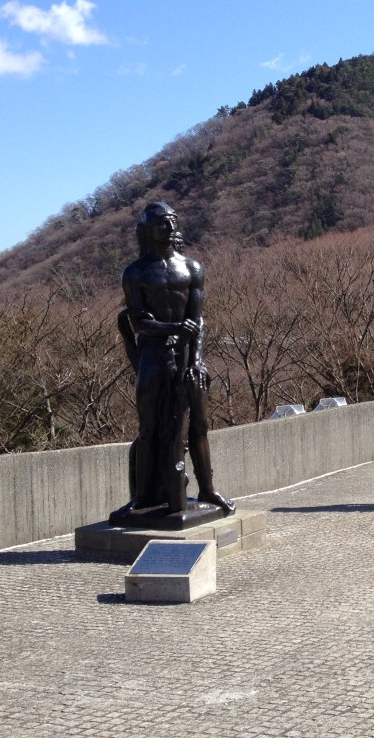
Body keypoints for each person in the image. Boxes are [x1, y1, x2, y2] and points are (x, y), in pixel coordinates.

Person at [112, 202, 235, 519]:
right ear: (147, 230)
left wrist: (196, 359)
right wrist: (175, 328)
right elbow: (140, 322)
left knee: (200, 425)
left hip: (187, 352)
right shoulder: (135, 273)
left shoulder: (192, 268)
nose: (169, 228)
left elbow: (198, 321)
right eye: (162, 223)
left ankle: (207, 489)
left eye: (173, 222)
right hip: (153, 354)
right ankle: (142, 496)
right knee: (148, 428)